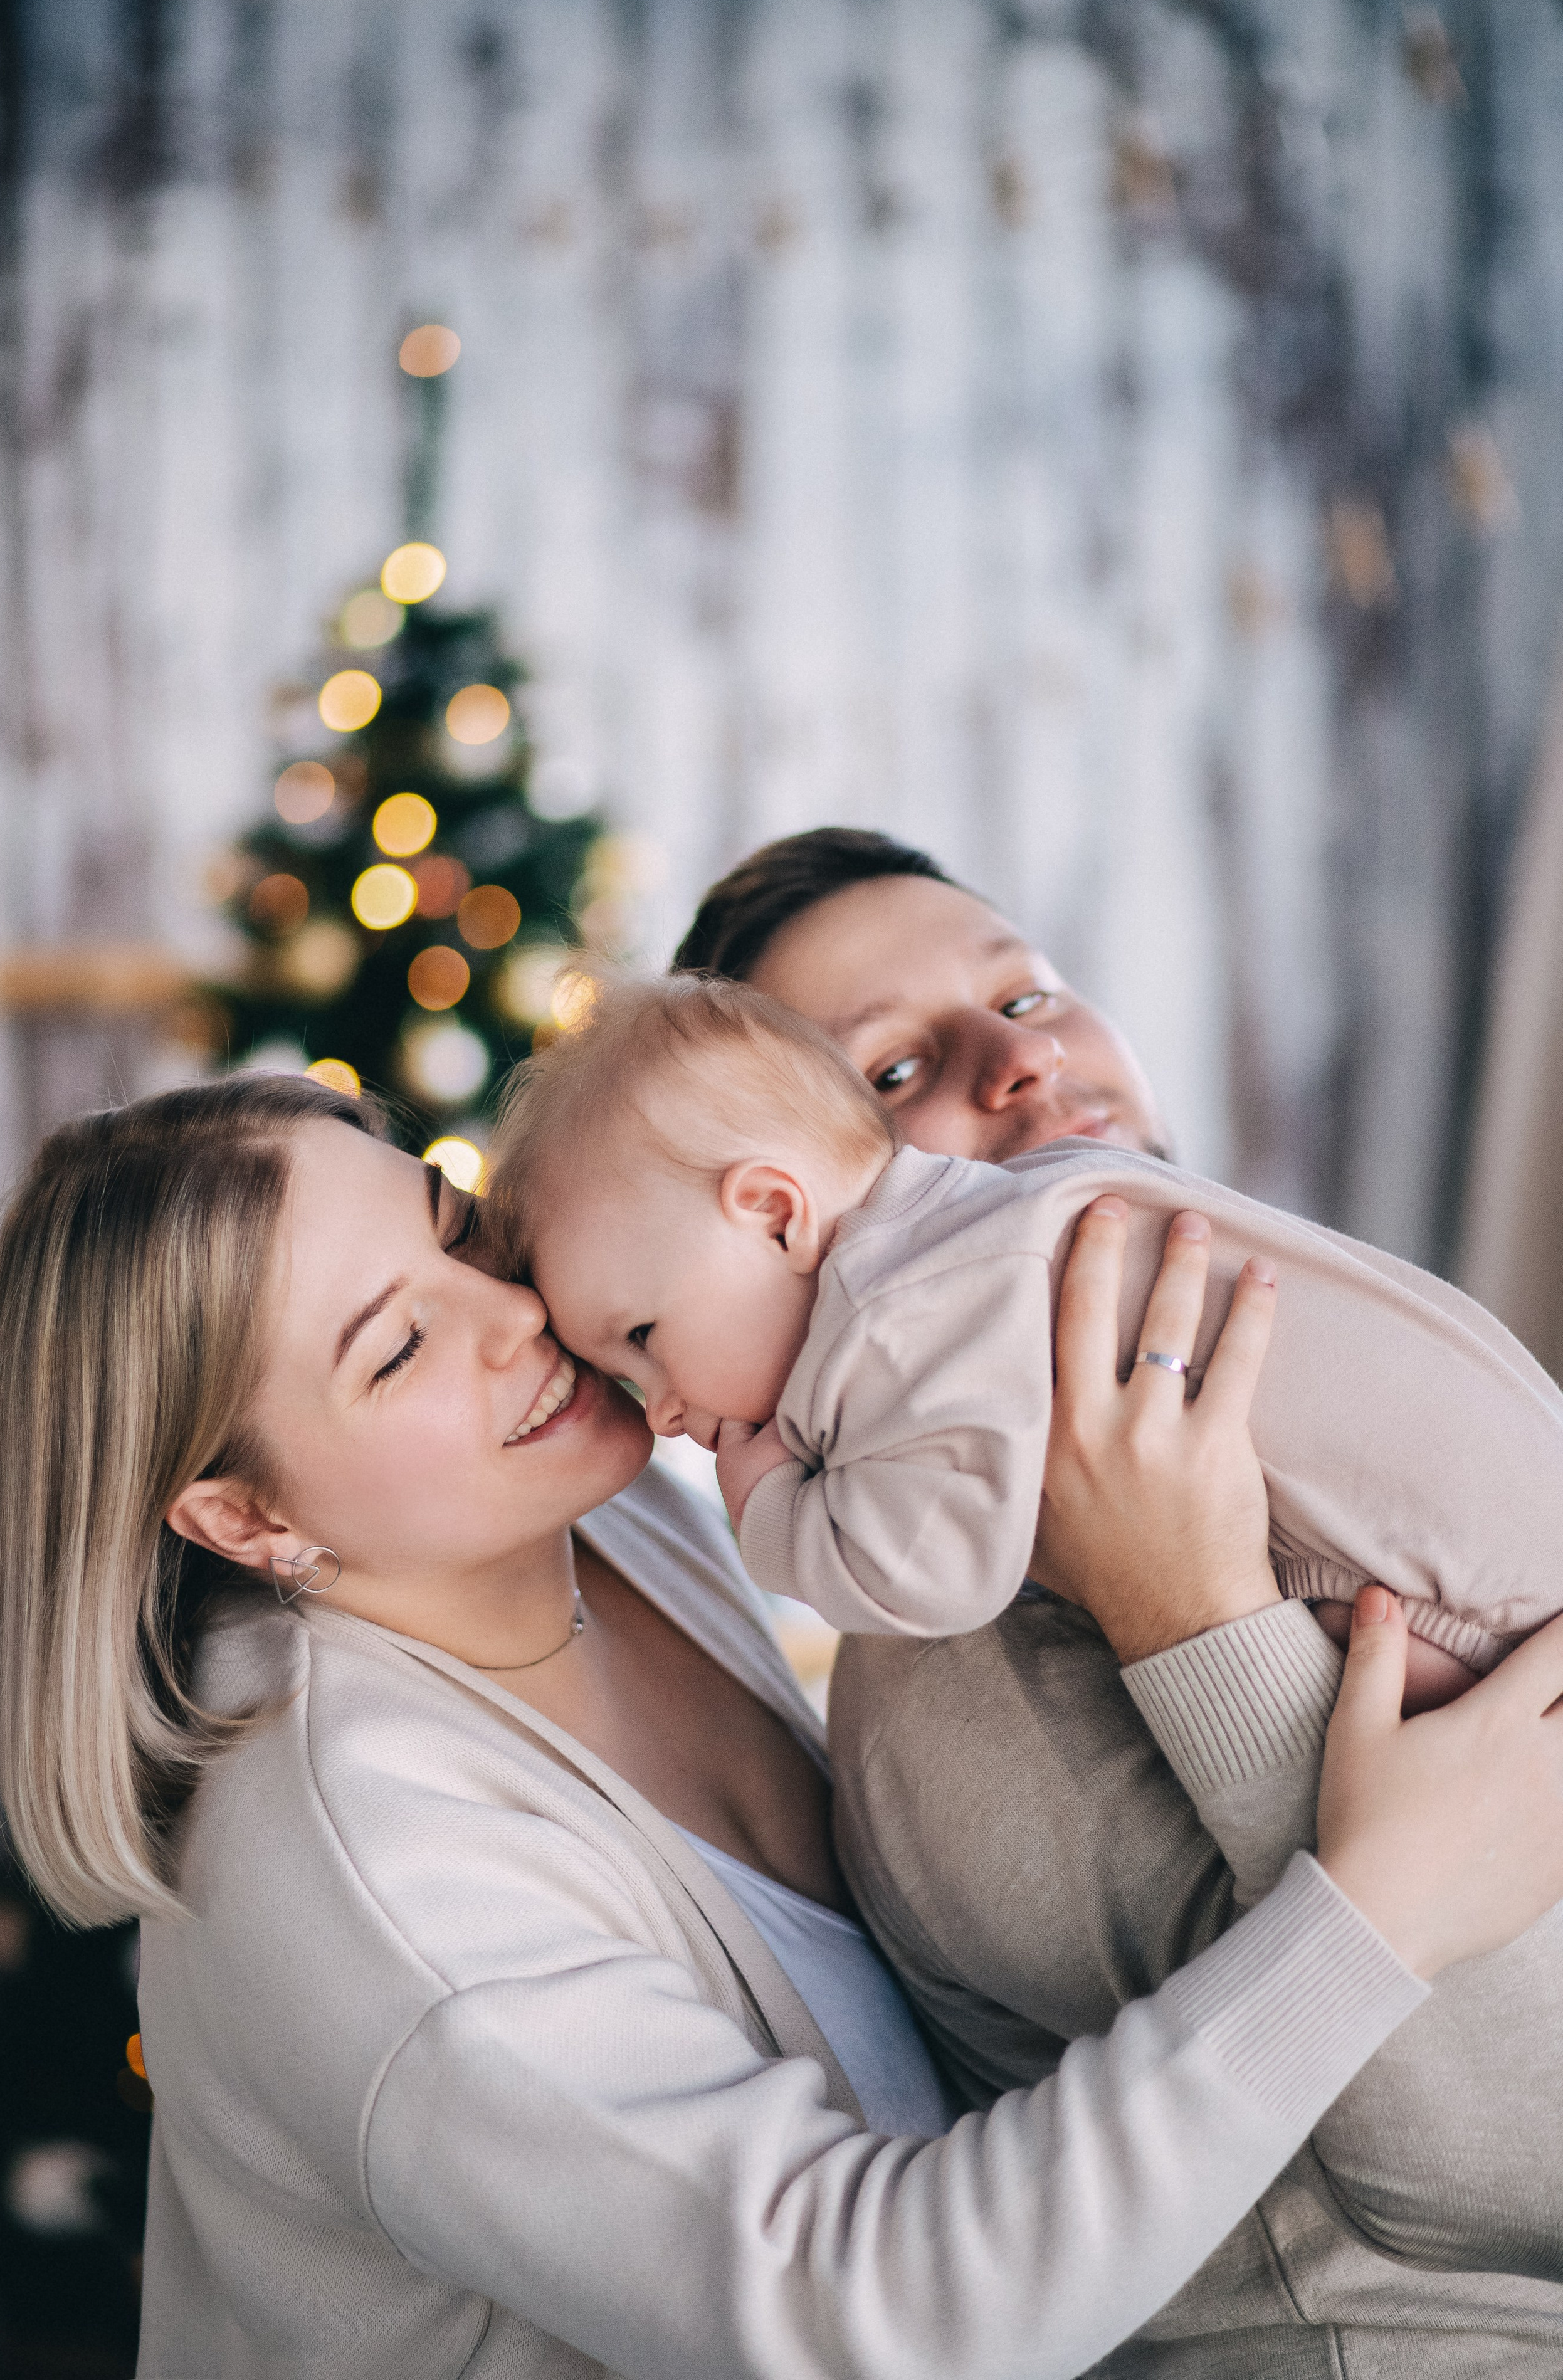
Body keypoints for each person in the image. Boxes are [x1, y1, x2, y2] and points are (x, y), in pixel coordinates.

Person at [0, 1075, 1563, 2380]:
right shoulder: (365, 1878)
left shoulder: (607, 1515)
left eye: (459, 1233)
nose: (513, 1319)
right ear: (244, 1519)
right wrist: (1375, 1911)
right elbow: (876, 2317)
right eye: (394, 1347)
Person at [669, 828, 1563, 2364]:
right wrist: (1192, 1620)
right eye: (889, 1074)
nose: (1015, 1060)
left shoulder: (1308, 1383)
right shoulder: (953, 1688)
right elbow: (1503, 2181)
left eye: (1028, 991)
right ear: (786, 1224)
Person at [493, 972, 1555, 1708]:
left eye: (643, 1338)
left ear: (777, 1213)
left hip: (1473, 1593)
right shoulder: (1004, 1214)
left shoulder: (900, 1309)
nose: (664, 1409)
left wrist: (770, 1508)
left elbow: (935, 1571)